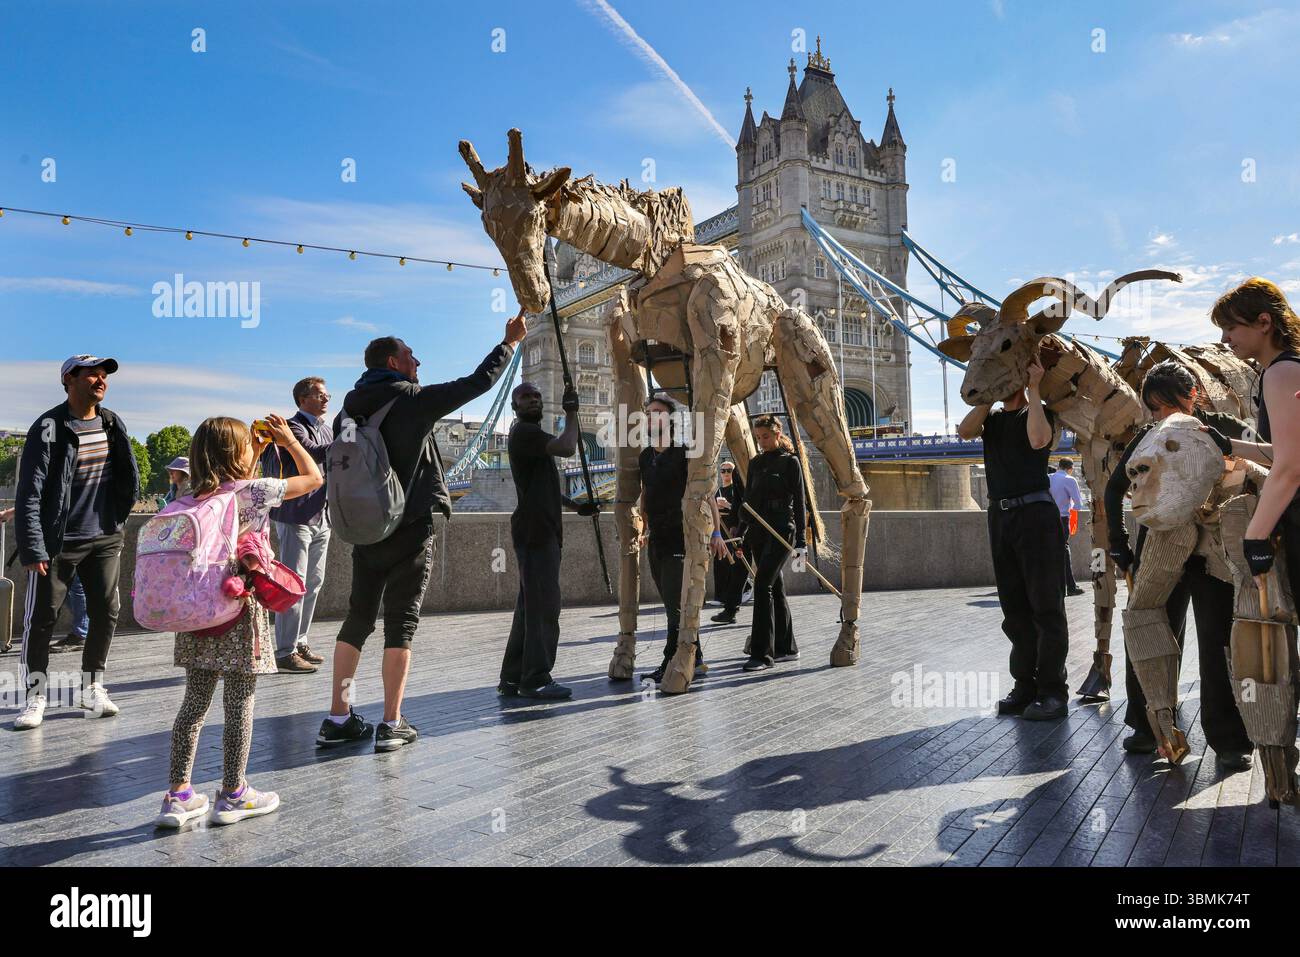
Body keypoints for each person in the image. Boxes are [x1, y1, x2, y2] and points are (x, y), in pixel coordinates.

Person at [318, 312, 526, 751]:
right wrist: (508, 344)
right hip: (410, 524)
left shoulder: (348, 410)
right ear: (393, 362)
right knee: (401, 624)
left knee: (357, 619)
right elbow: (475, 384)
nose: (419, 362)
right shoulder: (410, 399)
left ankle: (339, 717)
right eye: (411, 356)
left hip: (365, 527)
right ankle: (391, 723)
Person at [156, 413, 323, 828]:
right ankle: (233, 793)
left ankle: (178, 796)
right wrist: (287, 441)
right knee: (239, 703)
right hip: (238, 607)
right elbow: (314, 478)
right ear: (238, 454)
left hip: (196, 611)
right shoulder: (256, 491)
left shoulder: (190, 495)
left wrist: (254, 451)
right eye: (247, 446)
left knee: (193, 704)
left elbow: (228, 487)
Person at [1105, 361, 1253, 769]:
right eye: (1153, 408)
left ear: (1193, 396)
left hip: (1214, 553)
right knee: (1149, 629)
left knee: (1219, 643)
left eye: (1168, 404)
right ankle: (1146, 727)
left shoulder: (1223, 426)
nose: (1162, 415)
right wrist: (1119, 545)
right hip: (1159, 549)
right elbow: (1115, 487)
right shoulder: (1149, 435)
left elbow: (1262, 473)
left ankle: (1229, 739)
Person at [13, 356, 140, 730]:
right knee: (41, 620)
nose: (101, 379)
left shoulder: (111, 422)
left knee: (106, 611)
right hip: (57, 542)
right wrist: (34, 546)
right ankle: (35, 698)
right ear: (69, 379)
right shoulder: (50, 426)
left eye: (105, 375)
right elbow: (30, 491)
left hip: (104, 537)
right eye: (92, 374)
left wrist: (117, 519)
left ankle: (92, 687)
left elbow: (126, 474)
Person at [958, 356, 1069, 720]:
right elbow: (964, 431)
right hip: (1000, 515)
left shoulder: (1040, 412)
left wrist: (1033, 390)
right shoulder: (991, 419)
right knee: (1014, 609)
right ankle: (1025, 685)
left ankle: (1053, 691)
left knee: (1046, 608)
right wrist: (987, 395)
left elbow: (1039, 440)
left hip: (1035, 514)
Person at [497, 381, 602, 700]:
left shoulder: (530, 437)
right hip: (537, 533)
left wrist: (576, 505)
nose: (533, 400)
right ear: (514, 406)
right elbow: (569, 447)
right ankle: (537, 678)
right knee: (544, 608)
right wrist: (573, 413)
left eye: (537, 396)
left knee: (529, 607)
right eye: (525, 397)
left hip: (535, 530)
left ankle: (513, 677)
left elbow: (544, 487)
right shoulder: (526, 433)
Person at [1211, 279, 1300, 638]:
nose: (1225, 340)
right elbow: (1285, 451)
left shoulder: (1280, 372)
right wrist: (1228, 444)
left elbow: (1291, 468)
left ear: (1264, 322)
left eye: (1230, 327)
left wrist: (1256, 535)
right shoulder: (1284, 368)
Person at [635, 395, 726, 684]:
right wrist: (642, 526)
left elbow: (707, 494)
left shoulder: (686, 453)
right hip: (657, 539)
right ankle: (696, 659)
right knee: (670, 603)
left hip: (681, 539)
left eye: (658, 413)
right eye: (648, 413)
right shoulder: (645, 456)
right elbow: (645, 494)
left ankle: (671, 661)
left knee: (675, 608)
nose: (652, 418)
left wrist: (716, 532)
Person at [260, 376, 333, 674]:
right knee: (293, 584)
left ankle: (300, 640)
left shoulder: (327, 429)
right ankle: (284, 651)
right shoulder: (290, 428)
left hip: (321, 515)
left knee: (313, 584)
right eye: (320, 395)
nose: (327, 399)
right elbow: (317, 452)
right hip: (295, 516)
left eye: (327, 394)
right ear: (303, 399)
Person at [735, 414, 806, 672]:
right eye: (758, 438)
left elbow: (800, 503)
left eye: (766, 436)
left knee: (763, 583)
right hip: (758, 531)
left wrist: (800, 543)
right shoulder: (755, 464)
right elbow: (749, 499)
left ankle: (762, 654)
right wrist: (740, 529)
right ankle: (788, 648)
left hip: (780, 531)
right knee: (775, 587)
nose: (762, 442)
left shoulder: (791, 463)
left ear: (778, 434)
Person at [710, 459, 747, 624]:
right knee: (723, 564)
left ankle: (744, 592)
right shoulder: (718, 490)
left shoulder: (737, 487)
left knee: (735, 565)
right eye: (723, 470)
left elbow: (742, 509)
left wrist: (729, 506)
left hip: (737, 530)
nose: (725, 473)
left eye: (728, 471)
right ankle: (725, 600)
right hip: (724, 531)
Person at [1049, 458, 1085, 596]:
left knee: (1050, 552)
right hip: (1062, 519)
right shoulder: (1069, 480)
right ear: (1070, 468)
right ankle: (1070, 586)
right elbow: (1078, 505)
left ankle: (1055, 587)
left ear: (1059, 466)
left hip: (1047, 519)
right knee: (1064, 552)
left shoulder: (1048, 478)